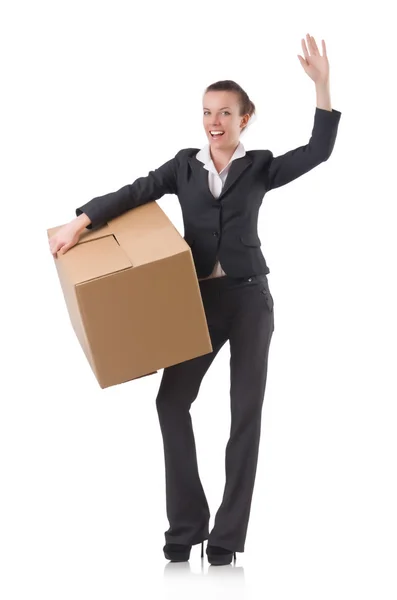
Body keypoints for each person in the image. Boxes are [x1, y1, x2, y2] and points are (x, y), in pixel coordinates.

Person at [48, 34, 342, 566]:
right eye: (208, 111)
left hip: (250, 300)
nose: (214, 120)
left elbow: (319, 151)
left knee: (244, 412)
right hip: (198, 302)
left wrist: (322, 85)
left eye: (225, 112)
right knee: (170, 403)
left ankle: (227, 537)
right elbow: (136, 191)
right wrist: (81, 220)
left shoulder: (261, 166)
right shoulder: (184, 166)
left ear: (244, 119)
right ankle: (186, 524)